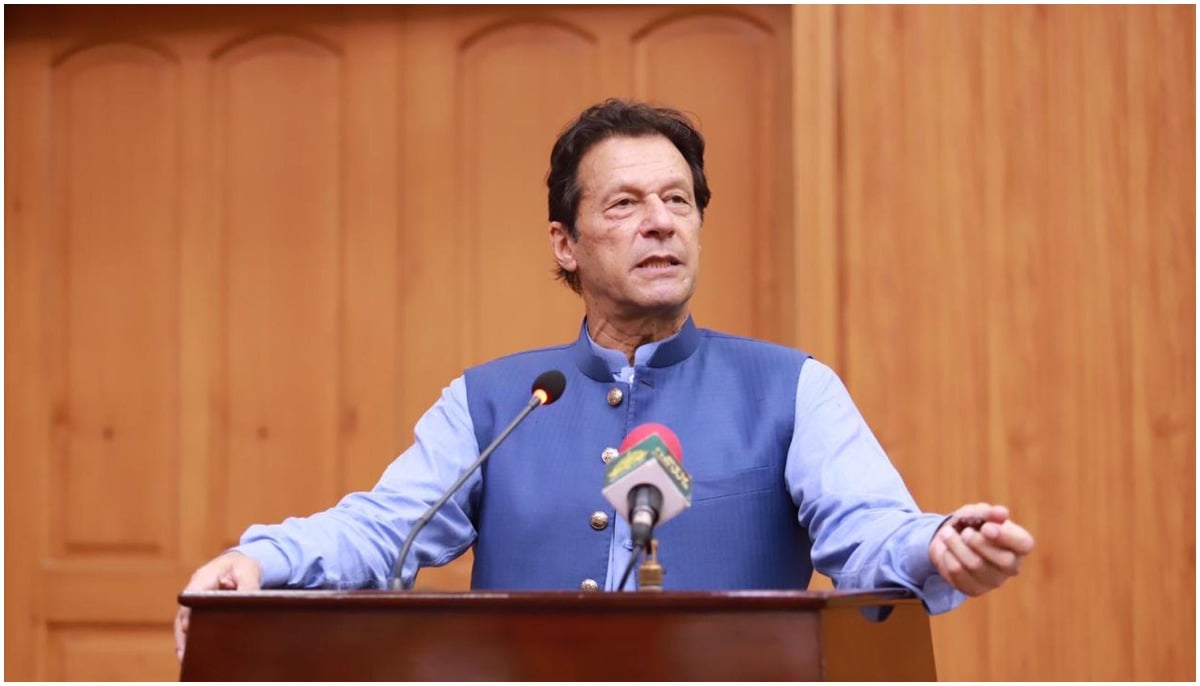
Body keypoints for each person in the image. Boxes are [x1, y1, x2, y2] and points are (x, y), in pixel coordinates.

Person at [174, 99, 1035, 660]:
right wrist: (261, 559)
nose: (660, 223)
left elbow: (870, 534)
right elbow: (380, 534)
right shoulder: (494, 401)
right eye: (624, 204)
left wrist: (939, 545)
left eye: (679, 201)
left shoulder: (793, 388)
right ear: (564, 242)